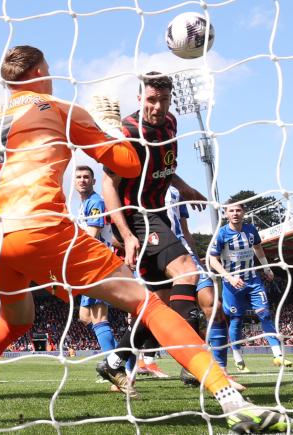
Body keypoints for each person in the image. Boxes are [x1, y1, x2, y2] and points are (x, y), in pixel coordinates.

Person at [0, 45, 293, 434]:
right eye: (48, 69)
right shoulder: (58, 108)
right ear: (36, 72)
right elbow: (128, 163)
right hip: (38, 225)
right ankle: (230, 400)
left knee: (12, 321)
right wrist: (109, 123)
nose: (52, 75)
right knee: (147, 303)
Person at [98, 71, 212, 387]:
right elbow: (108, 184)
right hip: (135, 216)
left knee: (157, 303)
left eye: (164, 100)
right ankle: (193, 361)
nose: (158, 107)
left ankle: (113, 361)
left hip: (155, 215)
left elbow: (165, 167)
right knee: (187, 272)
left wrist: (184, 186)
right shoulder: (128, 132)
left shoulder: (171, 123)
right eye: (151, 100)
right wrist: (127, 233)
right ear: (139, 99)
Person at [165, 185, 244, 390]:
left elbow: (184, 230)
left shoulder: (175, 192)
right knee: (150, 316)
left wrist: (196, 259)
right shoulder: (136, 185)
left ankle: (219, 370)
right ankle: (123, 366)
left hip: (184, 254)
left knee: (214, 306)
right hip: (155, 255)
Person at [208, 203, 292, 370]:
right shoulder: (221, 234)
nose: (235, 213)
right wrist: (229, 278)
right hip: (232, 285)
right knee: (236, 320)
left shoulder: (251, 230)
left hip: (253, 281)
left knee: (265, 314)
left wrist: (266, 268)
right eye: (231, 210)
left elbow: (258, 248)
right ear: (226, 214)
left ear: (244, 212)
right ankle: (238, 358)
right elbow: (212, 260)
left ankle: (278, 355)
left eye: (238, 210)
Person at [73, 165, 118, 357]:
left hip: (98, 264)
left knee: (99, 316)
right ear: (74, 182)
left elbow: (92, 237)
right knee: (85, 317)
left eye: (86, 177)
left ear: (93, 181)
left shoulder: (96, 202)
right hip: (90, 266)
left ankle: (116, 366)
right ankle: (121, 356)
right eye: (78, 177)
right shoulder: (83, 205)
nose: (82, 180)